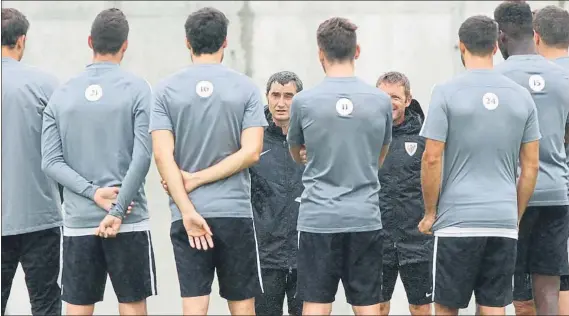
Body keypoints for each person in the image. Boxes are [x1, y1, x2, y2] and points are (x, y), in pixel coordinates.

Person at [419, 14, 541, 316]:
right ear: (496, 47)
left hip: (456, 222)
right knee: (493, 307)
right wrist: (515, 212)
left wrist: (430, 212)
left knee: (447, 306)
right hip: (502, 220)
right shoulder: (522, 97)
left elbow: (432, 157)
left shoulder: (446, 92)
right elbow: (531, 167)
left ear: (461, 46)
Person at [150, 7, 267, 316]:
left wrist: (188, 207)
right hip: (234, 214)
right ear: (225, 42)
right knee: (242, 308)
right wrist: (200, 178)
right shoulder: (246, 88)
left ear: (187, 42)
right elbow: (251, 151)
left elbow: (162, 155)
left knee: (194, 307)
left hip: (186, 215)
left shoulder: (165, 90)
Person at [41, 8, 155, 316]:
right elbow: (144, 156)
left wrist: (92, 193)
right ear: (125, 45)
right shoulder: (138, 89)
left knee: (77, 309)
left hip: (79, 222)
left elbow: (50, 162)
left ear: (89, 41)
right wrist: (117, 210)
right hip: (128, 221)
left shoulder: (62, 94)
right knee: (132, 307)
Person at [287, 17, 392, 316]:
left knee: (316, 305)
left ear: (320, 52)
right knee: (368, 306)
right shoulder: (380, 101)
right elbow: (379, 157)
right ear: (357, 51)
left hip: (318, 218)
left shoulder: (303, 102)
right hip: (365, 217)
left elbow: (296, 152)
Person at [494, 2, 569, 315]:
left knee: (494, 286)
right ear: (534, 34)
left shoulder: (496, 79)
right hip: (554, 193)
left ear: (500, 37)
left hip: (507, 195)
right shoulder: (562, 77)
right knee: (549, 286)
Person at [1, 8, 62, 316]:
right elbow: (67, 152)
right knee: (47, 305)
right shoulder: (47, 85)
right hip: (41, 217)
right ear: (21, 41)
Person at [375, 71, 432, 316]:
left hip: (417, 239)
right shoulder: (367, 134)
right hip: (377, 237)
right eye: (383, 96)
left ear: (408, 100)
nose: (389, 103)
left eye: (395, 97)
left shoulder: (426, 135)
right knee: (377, 307)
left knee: (420, 307)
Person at [252, 71, 305, 316]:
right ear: (267, 97)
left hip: (305, 254)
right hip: (265, 255)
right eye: (275, 95)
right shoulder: (253, 138)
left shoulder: (313, 138)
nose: (281, 103)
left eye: (288, 96)